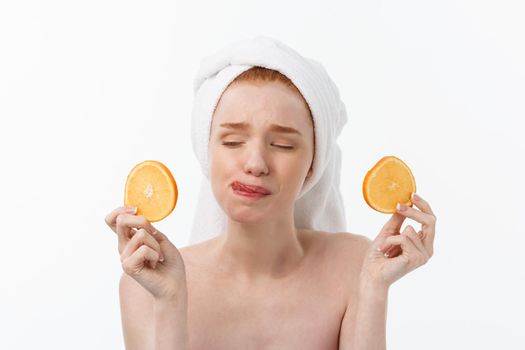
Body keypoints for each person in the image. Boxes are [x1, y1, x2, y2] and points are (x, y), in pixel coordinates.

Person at [104, 36, 437, 350]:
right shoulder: (146, 283)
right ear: (207, 151)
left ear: (313, 164)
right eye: (233, 141)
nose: (255, 163)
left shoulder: (355, 265)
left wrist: (374, 288)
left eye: (282, 145)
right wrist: (170, 301)